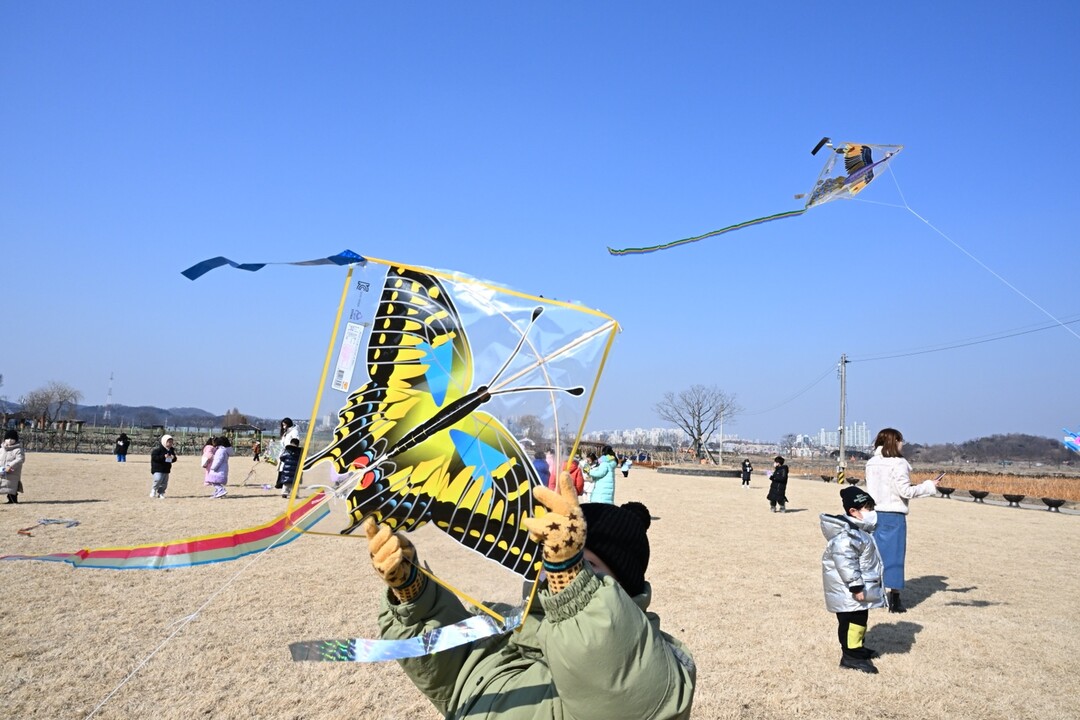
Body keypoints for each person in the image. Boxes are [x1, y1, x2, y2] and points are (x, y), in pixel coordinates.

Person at [364, 472, 696, 719]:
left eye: (588, 563)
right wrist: (413, 594)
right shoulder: (508, 628)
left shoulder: (651, 662)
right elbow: (454, 673)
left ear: (621, 588)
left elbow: (623, 690)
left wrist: (575, 586)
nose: (557, 565)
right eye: (555, 553)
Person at [863, 428, 939, 613]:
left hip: (874, 514)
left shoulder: (871, 463)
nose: (902, 443)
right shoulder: (899, 463)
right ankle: (895, 599)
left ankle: (873, 594)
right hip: (894, 515)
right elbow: (905, 491)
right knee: (895, 557)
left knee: (874, 556)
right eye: (900, 440)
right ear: (894, 441)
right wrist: (929, 486)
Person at [821, 486, 887, 674]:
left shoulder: (859, 531)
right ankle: (850, 656)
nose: (872, 513)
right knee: (851, 622)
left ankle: (857, 648)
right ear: (853, 511)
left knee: (859, 619)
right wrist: (856, 586)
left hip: (856, 589)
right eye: (868, 509)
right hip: (848, 591)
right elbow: (846, 564)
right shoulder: (846, 535)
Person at [1, 429, 26, 504]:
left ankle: (12, 499)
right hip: (2, 471)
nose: (9, 440)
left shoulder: (18, 450)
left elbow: (20, 459)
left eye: (12, 438)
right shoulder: (2, 449)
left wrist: (10, 466)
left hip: (12, 472)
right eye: (7, 438)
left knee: (11, 485)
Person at [149, 434, 177, 499]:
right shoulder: (157, 450)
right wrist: (163, 457)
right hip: (157, 468)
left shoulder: (171, 450)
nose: (170, 443)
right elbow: (155, 458)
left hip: (166, 469)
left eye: (171, 442)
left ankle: (161, 493)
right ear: (164, 442)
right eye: (169, 442)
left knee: (164, 482)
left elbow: (173, 459)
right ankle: (153, 490)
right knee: (158, 479)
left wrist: (173, 458)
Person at [276, 418, 300, 489]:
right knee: (281, 467)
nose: (283, 427)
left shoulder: (294, 431)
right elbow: (282, 442)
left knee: (286, 467)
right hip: (284, 451)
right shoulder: (285, 433)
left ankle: (283, 482)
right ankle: (280, 482)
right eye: (283, 425)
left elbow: (295, 441)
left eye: (285, 425)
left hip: (290, 451)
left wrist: (291, 448)